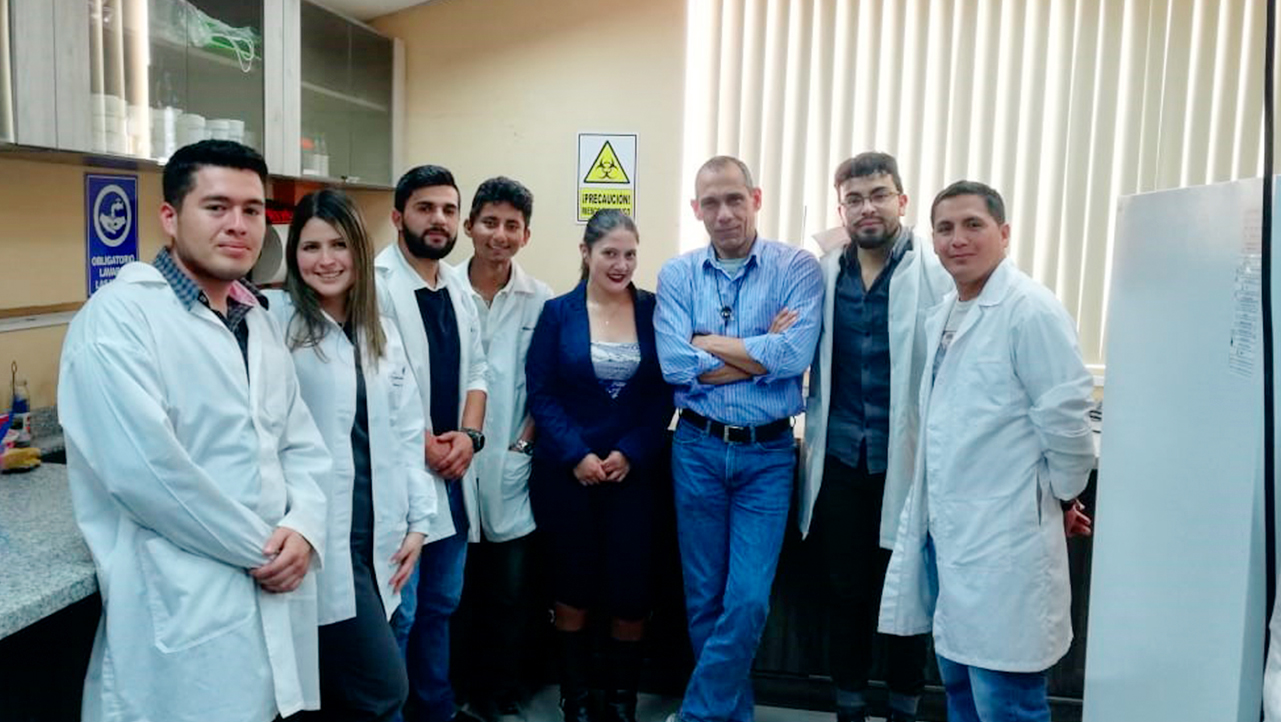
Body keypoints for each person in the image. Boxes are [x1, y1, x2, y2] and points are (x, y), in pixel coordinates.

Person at [58, 139, 331, 722]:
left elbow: (302, 446)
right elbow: (151, 475)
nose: (238, 225)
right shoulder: (117, 320)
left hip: (268, 590)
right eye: (216, 207)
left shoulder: (254, 320)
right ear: (170, 217)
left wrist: (305, 527)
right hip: (184, 602)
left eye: (253, 210)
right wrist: (266, 550)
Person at [878, 181, 1095, 722]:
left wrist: (1061, 497)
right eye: (945, 229)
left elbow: (1068, 428)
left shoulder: (1031, 311)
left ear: (1003, 233)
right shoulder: (947, 312)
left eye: (973, 225)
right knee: (961, 694)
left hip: (1005, 544)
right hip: (950, 539)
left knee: (1007, 703)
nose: (958, 240)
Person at [655, 156, 823, 722]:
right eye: (711, 203)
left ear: (756, 197)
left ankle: (699, 715)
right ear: (696, 209)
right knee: (704, 599)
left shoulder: (798, 268)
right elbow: (675, 365)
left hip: (768, 455)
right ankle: (735, 715)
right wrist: (758, 350)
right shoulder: (678, 275)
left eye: (734, 199)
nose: (724, 213)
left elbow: (795, 355)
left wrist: (712, 342)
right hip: (697, 449)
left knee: (747, 599)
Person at [268, 189, 439, 722]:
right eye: (310, 246)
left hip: (380, 538)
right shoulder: (277, 325)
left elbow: (408, 430)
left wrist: (419, 521)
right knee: (382, 690)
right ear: (293, 254)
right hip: (320, 540)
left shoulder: (378, 332)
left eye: (339, 244)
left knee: (348, 693)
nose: (325, 260)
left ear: (359, 251)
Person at [798, 152, 949, 722]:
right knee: (846, 594)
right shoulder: (824, 270)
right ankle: (850, 707)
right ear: (842, 207)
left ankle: (905, 707)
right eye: (855, 198)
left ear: (902, 201)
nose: (868, 207)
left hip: (905, 461)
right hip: (839, 459)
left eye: (879, 194)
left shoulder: (934, 270)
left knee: (908, 590)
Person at [526, 209, 673, 722]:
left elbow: (663, 395)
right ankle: (577, 697)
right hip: (568, 476)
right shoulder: (557, 313)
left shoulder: (655, 310)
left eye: (630, 254)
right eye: (610, 252)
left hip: (634, 477)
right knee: (573, 585)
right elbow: (541, 395)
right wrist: (577, 455)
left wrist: (630, 452)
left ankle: (620, 701)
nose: (621, 264)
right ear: (586, 253)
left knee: (631, 591)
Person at [377, 164, 488, 722]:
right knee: (403, 609)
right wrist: (423, 447)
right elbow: (374, 383)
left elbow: (480, 371)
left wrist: (468, 438)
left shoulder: (457, 287)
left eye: (448, 209)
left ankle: (436, 709)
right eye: (425, 208)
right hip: (404, 476)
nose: (439, 220)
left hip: (453, 471)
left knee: (442, 605)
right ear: (399, 216)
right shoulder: (375, 285)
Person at [456, 176, 553, 721]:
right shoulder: (443, 287)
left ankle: (502, 692)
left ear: (526, 235)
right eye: (489, 222)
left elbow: (546, 383)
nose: (499, 234)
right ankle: (458, 689)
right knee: (457, 588)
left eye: (511, 226)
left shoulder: (539, 299)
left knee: (511, 591)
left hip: (512, 461)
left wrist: (523, 441)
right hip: (451, 460)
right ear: (469, 226)